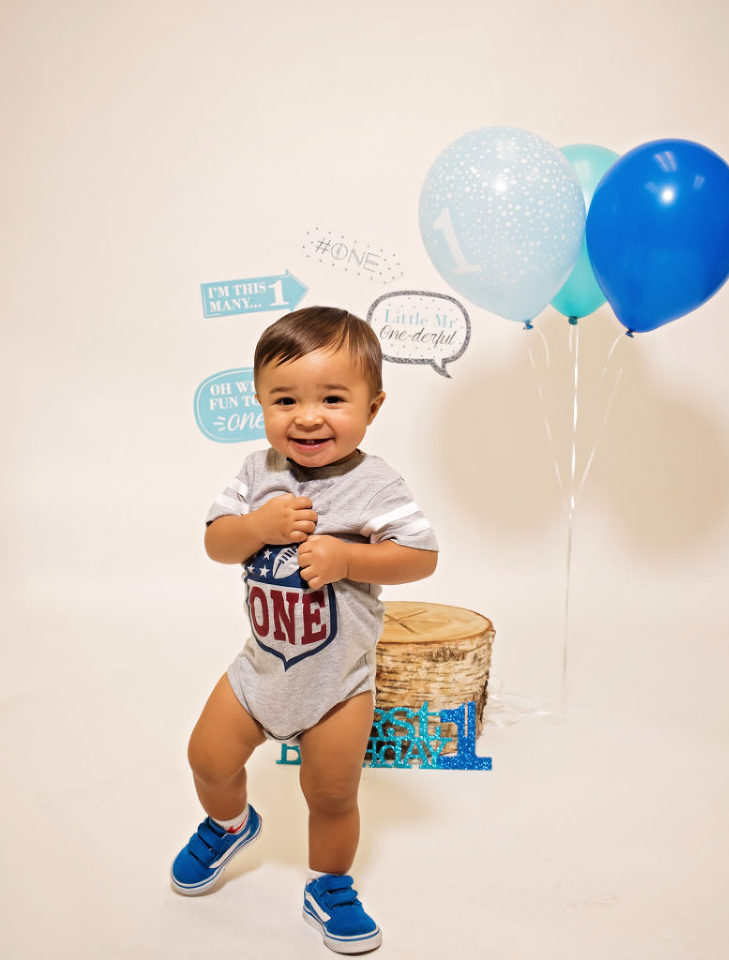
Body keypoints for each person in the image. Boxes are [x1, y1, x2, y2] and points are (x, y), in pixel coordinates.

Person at [171, 306, 438, 954]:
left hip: (337, 686)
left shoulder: (375, 485)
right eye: (285, 398)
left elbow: (421, 557)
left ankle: (329, 884)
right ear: (262, 402)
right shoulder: (256, 472)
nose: (308, 416)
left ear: (371, 408)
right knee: (206, 757)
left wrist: (350, 558)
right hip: (260, 671)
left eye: (333, 399)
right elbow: (215, 543)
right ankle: (231, 823)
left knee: (331, 793)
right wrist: (256, 529)